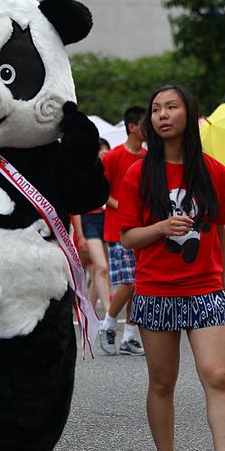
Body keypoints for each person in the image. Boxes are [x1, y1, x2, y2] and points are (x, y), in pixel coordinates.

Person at [118, 85, 225, 451]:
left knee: (217, 376)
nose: (162, 115)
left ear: (189, 113)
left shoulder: (213, 170)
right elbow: (127, 238)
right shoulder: (139, 172)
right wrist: (161, 227)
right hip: (155, 289)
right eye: (156, 109)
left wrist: (222, 282)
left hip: (205, 288)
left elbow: (220, 231)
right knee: (162, 384)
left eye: (171, 107)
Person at [98, 106, 147, 356]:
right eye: (144, 123)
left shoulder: (148, 157)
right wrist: (124, 205)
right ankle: (107, 324)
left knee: (138, 285)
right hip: (118, 228)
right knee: (129, 283)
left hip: (143, 229)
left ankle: (129, 336)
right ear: (132, 127)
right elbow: (102, 192)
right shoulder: (113, 157)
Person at [77, 138, 112, 314]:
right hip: (88, 221)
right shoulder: (83, 173)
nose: (103, 153)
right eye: (100, 150)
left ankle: (89, 307)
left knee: (101, 269)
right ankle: (108, 311)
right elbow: (75, 208)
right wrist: (80, 235)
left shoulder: (109, 171)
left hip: (106, 219)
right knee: (101, 266)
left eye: (106, 150)